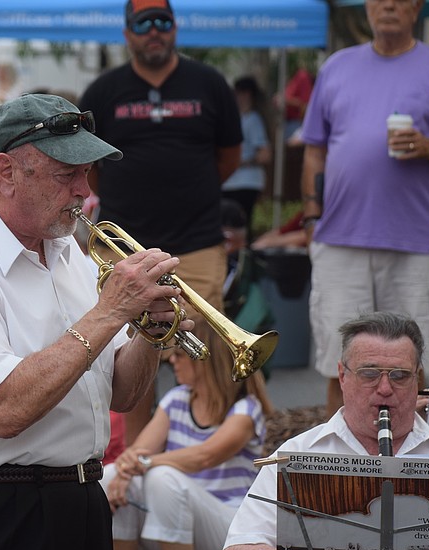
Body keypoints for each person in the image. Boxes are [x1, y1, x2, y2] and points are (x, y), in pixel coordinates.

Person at [0, 92, 194, 550]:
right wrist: (111, 310)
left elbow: (121, 394)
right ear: (6, 173)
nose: (84, 191)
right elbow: (4, 410)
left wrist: (150, 332)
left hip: (79, 499)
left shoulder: (66, 249)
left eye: (86, 173)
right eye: (66, 174)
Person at [300, 0, 429, 418]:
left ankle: (412, 473)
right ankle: (338, 470)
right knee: (339, 364)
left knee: (412, 369)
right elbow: (314, 149)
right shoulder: (336, 66)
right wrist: (312, 216)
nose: (388, 5)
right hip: (339, 241)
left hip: (415, 242)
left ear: (417, 6)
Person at [79, 0, 242, 443]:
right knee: (132, 351)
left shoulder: (209, 83)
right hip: (124, 247)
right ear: (128, 32)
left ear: (174, 27)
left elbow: (229, 156)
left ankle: (211, 452)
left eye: (163, 21)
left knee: (208, 351)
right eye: (143, 22)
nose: (154, 30)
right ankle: (135, 458)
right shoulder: (103, 90)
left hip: (198, 242)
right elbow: (89, 168)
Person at [219, 311, 429, 550]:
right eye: (369, 373)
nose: (385, 389)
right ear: (342, 376)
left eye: (399, 376)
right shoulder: (296, 456)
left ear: (418, 379)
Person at [101, 320, 274, 550]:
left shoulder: (246, 409)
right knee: (110, 476)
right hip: (171, 521)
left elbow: (205, 456)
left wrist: (144, 462)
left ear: (207, 361)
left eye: (181, 355)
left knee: (162, 477)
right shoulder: (176, 400)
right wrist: (127, 468)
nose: (172, 361)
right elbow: (138, 452)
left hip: (227, 530)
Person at [222, 76, 271, 241]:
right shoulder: (238, 118)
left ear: (246, 94)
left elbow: (264, 154)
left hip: (245, 183)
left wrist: (237, 161)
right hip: (231, 182)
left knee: (238, 227)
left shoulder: (253, 120)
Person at [279, 65, 313, 141]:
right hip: (286, 122)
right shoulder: (293, 79)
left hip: (295, 124)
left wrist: (286, 101)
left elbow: (305, 104)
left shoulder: (302, 76)